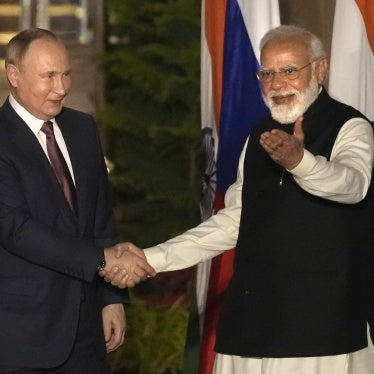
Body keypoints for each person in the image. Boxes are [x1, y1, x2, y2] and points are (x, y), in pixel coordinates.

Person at [101, 25, 374, 373]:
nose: (276, 84)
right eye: (267, 73)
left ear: (320, 69)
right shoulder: (259, 134)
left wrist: (300, 162)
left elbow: (353, 185)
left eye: (290, 71)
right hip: (249, 330)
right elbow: (235, 221)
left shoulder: (352, 127)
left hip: (321, 335)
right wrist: (153, 259)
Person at [0, 28, 155, 373]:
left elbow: (101, 218)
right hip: (22, 337)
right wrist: (103, 261)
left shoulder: (83, 129)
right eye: (49, 76)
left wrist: (111, 300)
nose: (62, 87)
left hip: (87, 335)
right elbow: (16, 229)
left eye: (66, 73)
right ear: (14, 75)